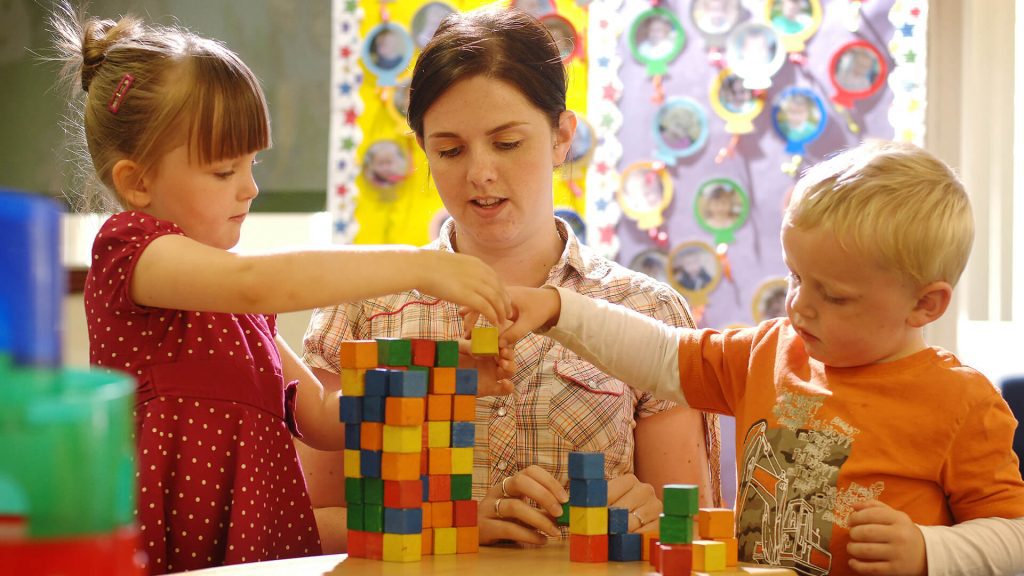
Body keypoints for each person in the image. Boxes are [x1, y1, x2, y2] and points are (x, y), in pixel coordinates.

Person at [51, 5, 510, 573]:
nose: (250, 188)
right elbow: (256, 283)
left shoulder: (242, 310)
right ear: (137, 182)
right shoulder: (132, 253)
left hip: (260, 548)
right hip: (176, 550)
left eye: (252, 164)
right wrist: (419, 264)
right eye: (223, 172)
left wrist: (446, 378)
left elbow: (320, 414)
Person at [300, 7, 721, 553]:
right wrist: (448, 526)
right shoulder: (360, 307)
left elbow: (697, 529)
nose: (479, 173)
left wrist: (656, 519)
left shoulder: (647, 311)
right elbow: (308, 525)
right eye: (449, 150)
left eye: (506, 143)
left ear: (561, 136)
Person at [496, 140, 1024, 575]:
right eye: (796, 277)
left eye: (834, 295)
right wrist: (558, 308)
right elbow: (660, 352)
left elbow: (1014, 536)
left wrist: (929, 550)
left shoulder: (961, 402)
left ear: (924, 304)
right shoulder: (770, 350)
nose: (800, 305)